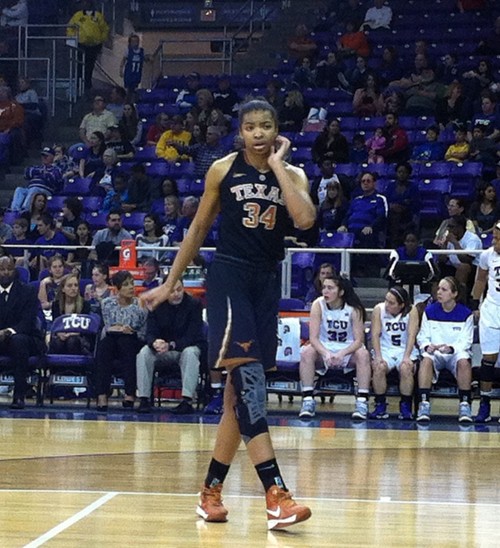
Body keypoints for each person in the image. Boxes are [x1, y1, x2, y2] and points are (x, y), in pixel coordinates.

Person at [140, 99, 314, 529]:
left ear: (277, 131)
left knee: (237, 398)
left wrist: (277, 167)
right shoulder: (221, 169)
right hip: (230, 279)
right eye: (251, 126)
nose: (258, 133)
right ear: (240, 131)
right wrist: (168, 283)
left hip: (266, 282)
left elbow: (304, 220)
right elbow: (198, 229)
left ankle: (209, 492)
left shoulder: (293, 175)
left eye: (266, 126)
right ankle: (276, 494)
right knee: (249, 382)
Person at [298, 275, 371, 419]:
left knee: (363, 354)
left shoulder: (354, 309)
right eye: (324, 287)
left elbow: (358, 340)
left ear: (341, 292)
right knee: (307, 352)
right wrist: (326, 353)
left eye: (330, 288)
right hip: (324, 348)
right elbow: (313, 338)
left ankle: (362, 401)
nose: (325, 291)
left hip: (347, 349)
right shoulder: (317, 304)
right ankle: (307, 399)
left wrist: (342, 353)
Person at [136, 277, 205, 414]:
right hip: (162, 350)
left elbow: (192, 335)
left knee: (191, 353)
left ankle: (187, 401)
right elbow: (150, 332)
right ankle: (144, 399)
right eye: (172, 291)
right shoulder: (157, 305)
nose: (176, 294)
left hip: (183, 348)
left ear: (184, 288)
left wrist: (171, 345)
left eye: (179, 289)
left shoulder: (194, 304)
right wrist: (154, 342)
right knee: (144, 353)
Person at [416, 276, 474, 422]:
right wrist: (427, 346)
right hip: (435, 353)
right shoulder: (429, 311)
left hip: (454, 353)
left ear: (454, 294)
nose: (439, 292)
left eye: (444, 289)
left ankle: (465, 404)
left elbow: (467, 341)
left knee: (463, 361)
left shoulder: (466, 314)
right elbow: (422, 336)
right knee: (426, 359)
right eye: (438, 289)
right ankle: (424, 404)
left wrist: (451, 348)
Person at [95, 270, 146, 411]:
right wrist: (120, 328)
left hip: (134, 340)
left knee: (126, 342)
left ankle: (130, 393)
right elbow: (109, 326)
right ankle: (102, 394)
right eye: (126, 285)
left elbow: (142, 329)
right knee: (105, 345)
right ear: (117, 289)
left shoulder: (140, 305)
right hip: (112, 339)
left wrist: (127, 330)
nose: (131, 287)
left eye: (132, 284)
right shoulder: (107, 303)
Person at [368, 286, 420, 420]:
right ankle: (380, 405)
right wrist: (378, 357)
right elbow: (375, 334)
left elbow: (411, 335)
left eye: (391, 303)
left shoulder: (412, 311)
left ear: (402, 305)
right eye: (386, 300)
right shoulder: (378, 310)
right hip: (385, 349)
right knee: (379, 367)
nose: (387, 305)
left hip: (404, 349)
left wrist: (407, 356)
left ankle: (405, 406)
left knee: (406, 368)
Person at [0, 255, 44, 409]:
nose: (6, 272)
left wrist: (7, 331)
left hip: (23, 337)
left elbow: (27, 321)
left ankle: (19, 396)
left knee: (18, 341)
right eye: (2, 269)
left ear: (15, 271)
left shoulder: (28, 291)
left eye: (9, 269)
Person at [471, 221, 500, 423]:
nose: (494, 241)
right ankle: (484, 404)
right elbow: (480, 280)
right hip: (491, 309)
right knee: (488, 359)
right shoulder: (487, 255)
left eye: (498, 238)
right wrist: (475, 303)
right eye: (494, 237)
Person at [66, 0, 109, 92]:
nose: (86, 4)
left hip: (94, 45)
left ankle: (87, 84)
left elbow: (104, 28)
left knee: (90, 66)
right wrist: (73, 39)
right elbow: (71, 27)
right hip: (81, 44)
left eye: (88, 2)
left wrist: (100, 39)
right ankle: (78, 84)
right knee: (80, 65)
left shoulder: (98, 16)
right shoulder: (78, 16)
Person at [49, 273, 92, 354]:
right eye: (69, 286)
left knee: (72, 341)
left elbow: (86, 328)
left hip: (80, 337)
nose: (73, 288)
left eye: (76, 285)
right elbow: (56, 324)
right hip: (62, 336)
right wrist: (60, 334)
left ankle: (74, 367)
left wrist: (72, 334)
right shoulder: (56, 305)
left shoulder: (85, 304)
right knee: (57, 343)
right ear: (63, 289)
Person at [10, 147, 63, 212]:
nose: (44, 158)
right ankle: (14, 210)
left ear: (53, 157)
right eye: (43, 156)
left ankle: (26, 210)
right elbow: (27, 173)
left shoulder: (56, 169)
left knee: (34, 189)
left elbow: (53, 178)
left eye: (47, 156)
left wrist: (37, 173)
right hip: (30, 189)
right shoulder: (36, 167)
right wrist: (42, 172)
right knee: (19, 190)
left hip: (45, 191)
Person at [119, 34, 149, 99]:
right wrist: (121, 70)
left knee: (135, 88)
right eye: (133, 42)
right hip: (129, 73)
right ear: (130, 43)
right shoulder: (128, 51)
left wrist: (148, 58)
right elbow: (123, 61)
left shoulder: (141, 51)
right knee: (127, 88)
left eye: (137, 41)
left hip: (137, 73)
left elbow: (145, 58)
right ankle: (126, 100)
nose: (135, 43)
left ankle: (134, 100)